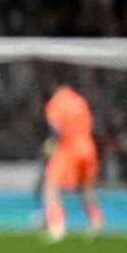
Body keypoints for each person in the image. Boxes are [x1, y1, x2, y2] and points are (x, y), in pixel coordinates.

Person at [42, 83, 102, 240]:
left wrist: (52, 143)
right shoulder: (80, 101)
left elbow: (56, 128)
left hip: (67, 149)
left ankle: (56, 226)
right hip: (87, 147)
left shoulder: (56, 102)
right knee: (85, 189)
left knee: (51, 187)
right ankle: (95, 223)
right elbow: (91, 124)